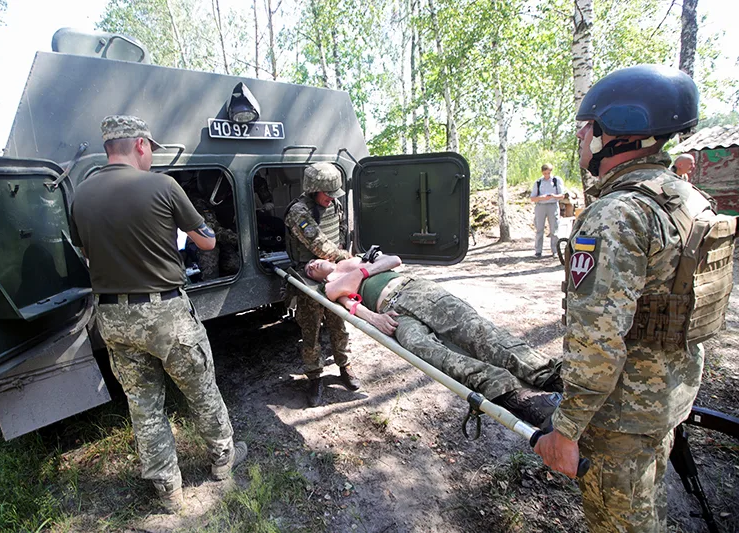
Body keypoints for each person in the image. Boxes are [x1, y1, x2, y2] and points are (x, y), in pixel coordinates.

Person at [534, 65, 711, 532]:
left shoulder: (615, 214)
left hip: (620, 416)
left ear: (613, 131)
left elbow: (597, 338)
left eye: (586, 128)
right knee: (645, 511)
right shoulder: (686, 199)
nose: (580, 138)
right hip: (667, 396)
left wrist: (566, 429)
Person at [70, 115, 246, 512]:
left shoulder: (81, 195)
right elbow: (206, 240)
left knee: (144, 406)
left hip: (113, 318)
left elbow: (85, 253)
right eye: (151, 148)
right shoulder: (163, 185)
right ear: (140, 145)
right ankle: (223, 462)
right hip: (165, 314)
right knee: (201, 391)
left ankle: (169, 491)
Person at [304, 254, 563, 427]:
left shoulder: (353, 260)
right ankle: (519, 396)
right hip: (391, 314)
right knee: (424, 350)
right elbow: (345, 300)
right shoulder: (328, 287)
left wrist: (359, 271)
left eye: (314, 261)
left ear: (326, 259)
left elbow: (393, 259)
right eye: (308, 269)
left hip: (414, 291)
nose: (311, 266)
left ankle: (550, 376)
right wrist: (373, 318)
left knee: (477, 332)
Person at [284, 163, 360, 407]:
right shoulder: (298, 211)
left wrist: (342, 265)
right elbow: (319, 245)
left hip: (333, 273)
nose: (331, 198)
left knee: (339, 324)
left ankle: (344, 367)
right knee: (311, 331)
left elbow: (340, 235)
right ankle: (314, 378)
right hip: (308, 278)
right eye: (327, 193)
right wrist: (350, 261)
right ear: (314, 189)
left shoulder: (333, 204)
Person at [530, 163, 565, 258]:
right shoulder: (538, 182)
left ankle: (555, 250)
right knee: (539, 229)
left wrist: (553, 196)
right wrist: (541, 198)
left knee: (554, 229)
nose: (547, 175)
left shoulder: (556, 180)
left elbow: (562, 195)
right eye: (545, 173)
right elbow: (532, 198)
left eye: (548, 173)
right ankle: (538, 251)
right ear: (542, 172)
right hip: (540, 206)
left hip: (553, 205)